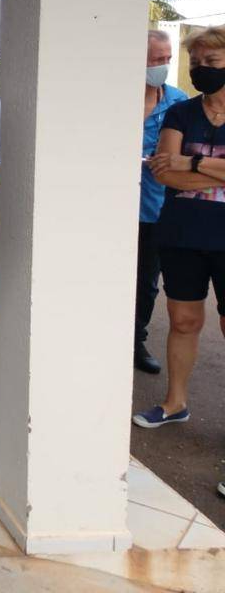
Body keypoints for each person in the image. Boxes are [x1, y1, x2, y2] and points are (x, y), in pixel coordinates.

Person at [134, 25, 225, 435]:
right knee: (183, 320)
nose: (201, 68)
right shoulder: (180, 112)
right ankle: (175, 403)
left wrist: (191, 163)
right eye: (196, 62)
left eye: (211, 61)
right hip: (183, 234)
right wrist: (213, 171)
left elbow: (176, 166)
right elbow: (164, 172)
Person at [134, 30, 188, 374]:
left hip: (156, 209)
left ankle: (135, 341)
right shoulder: (116, 99)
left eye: (167, 59)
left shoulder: (178, 102)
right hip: (113, 209)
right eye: (156, 59)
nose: (163, 66)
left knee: (146, 283)